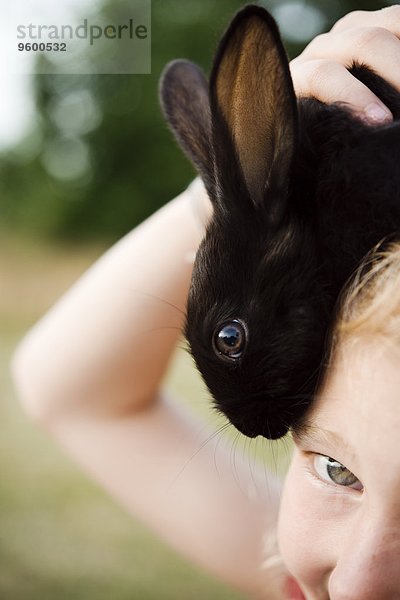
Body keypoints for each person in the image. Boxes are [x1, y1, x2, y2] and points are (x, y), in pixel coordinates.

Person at [10, 5, 400, 599]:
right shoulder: (317, 574)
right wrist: (266, 180)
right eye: (334, 469)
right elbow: (64, 388)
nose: (357, 587)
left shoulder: (343, 571)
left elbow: (74, 396)